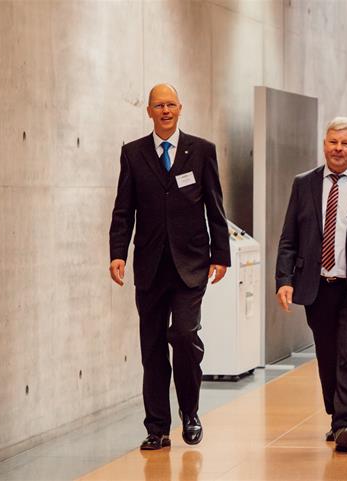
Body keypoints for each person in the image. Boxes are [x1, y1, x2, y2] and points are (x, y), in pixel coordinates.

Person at [108, 83, 231, 450]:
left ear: (181, 109)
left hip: (191, 265)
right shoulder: (132, 153)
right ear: (148, 111)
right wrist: (118, 253)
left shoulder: (201, 151)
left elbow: (215, 206)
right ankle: (157, 428)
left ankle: (190, 413)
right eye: (158, 105)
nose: (165, 110)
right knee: (152, 347)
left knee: (183, 335)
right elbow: (122, 209)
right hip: (149, 266)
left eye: (171, 104)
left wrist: (221, 255)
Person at [275, 117, 347, 453]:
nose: (337, 149)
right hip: (316, 286)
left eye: (344, 143)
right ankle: (335, 413)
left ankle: (346, 424)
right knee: (327, 354)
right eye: (332, 142)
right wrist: (284, 279)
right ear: (324, 144)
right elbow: (289, 238)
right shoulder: (304, 183)